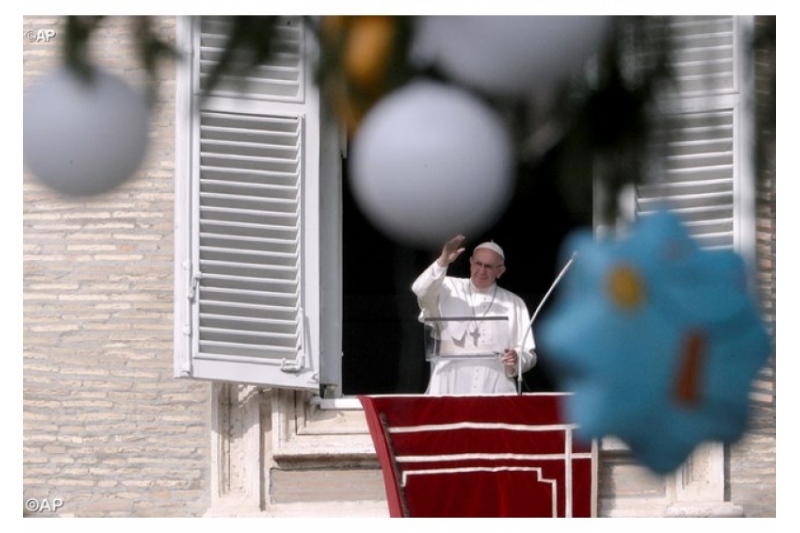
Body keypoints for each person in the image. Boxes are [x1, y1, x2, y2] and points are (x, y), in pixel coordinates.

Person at [412, 235, 537, 395]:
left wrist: (517, 359)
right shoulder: (448, 287)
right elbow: (420, 289)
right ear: (471, 262)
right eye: (478, 264)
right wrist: (443, 260)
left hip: (495, 384)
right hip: (449, 381)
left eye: (489, 266)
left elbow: (528, 353)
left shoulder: (514, 302)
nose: (482, 271)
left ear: (500, 271)